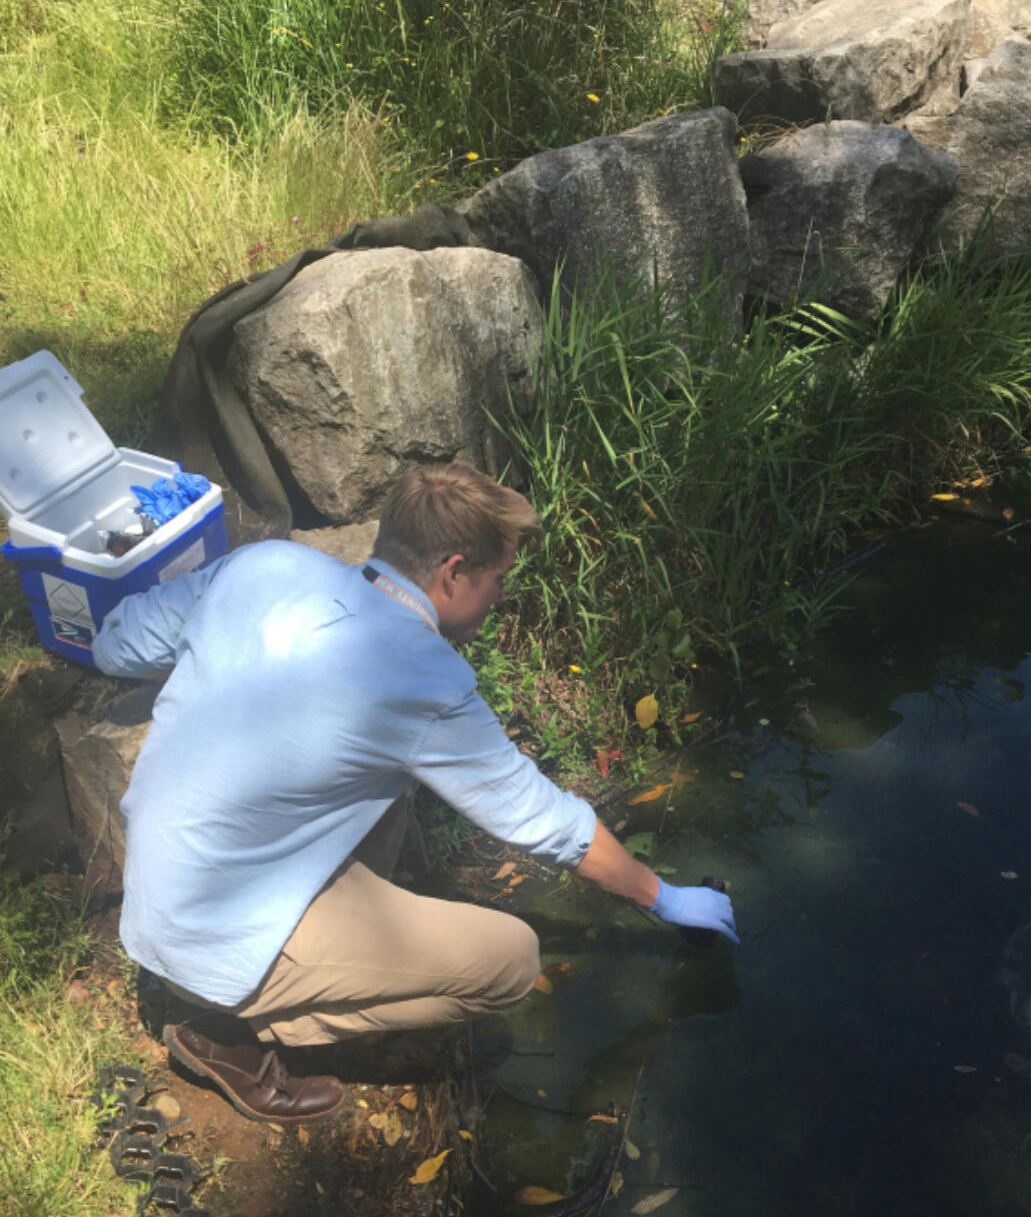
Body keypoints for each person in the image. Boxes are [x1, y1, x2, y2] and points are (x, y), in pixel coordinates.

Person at [92, 461, 737, 1124]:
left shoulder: (265, 565)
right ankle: (230, 1032)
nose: (500, 596)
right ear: (453, 571)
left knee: (386, 782)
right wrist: (664, 898)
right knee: (511, 960)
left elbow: (118, 642)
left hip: (162, 892)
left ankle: (271, 972)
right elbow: (547, 821)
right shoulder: (424, 677)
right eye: (497, 579)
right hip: (209, 941)